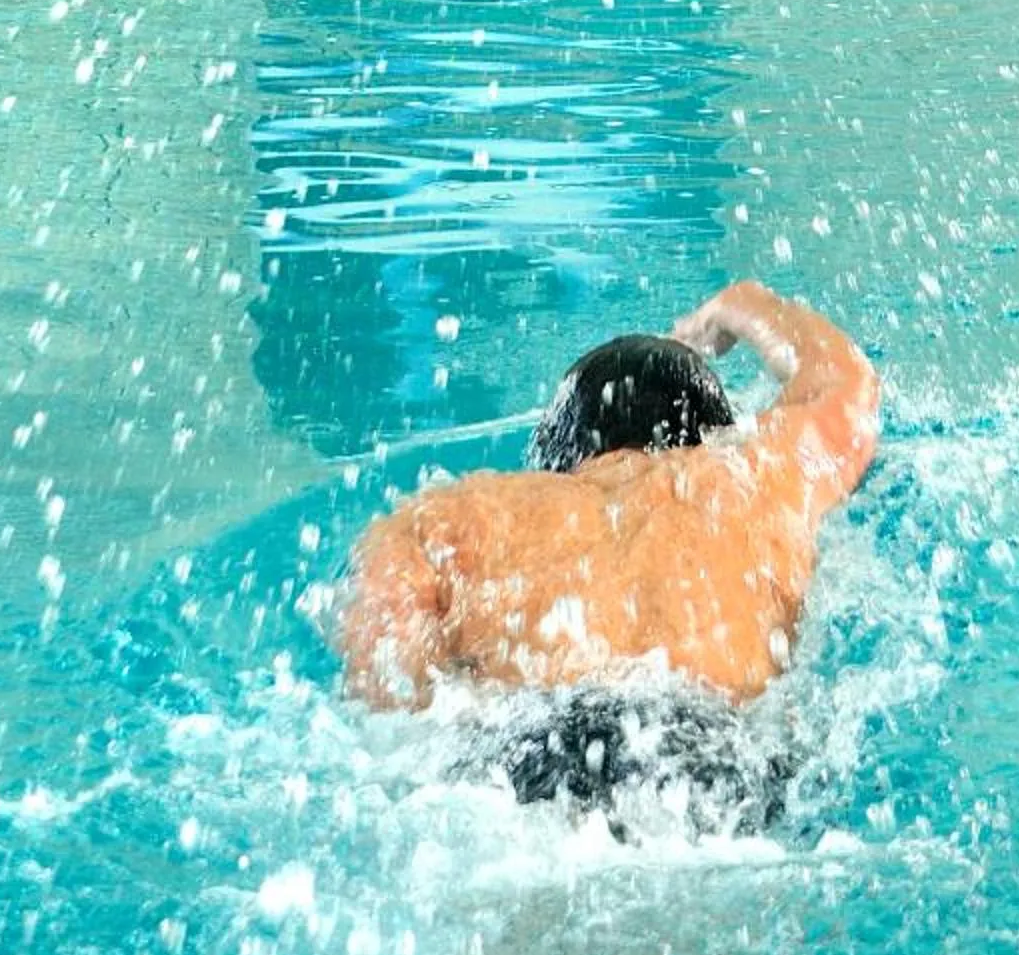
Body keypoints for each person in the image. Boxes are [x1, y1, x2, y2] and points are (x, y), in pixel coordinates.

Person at [337, 279, 879, 821]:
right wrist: (744, 304)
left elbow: (389, 692)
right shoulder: (754, 479)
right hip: (715, 758)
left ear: (559, 454)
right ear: (715, 436)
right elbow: (848, 385)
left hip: (533, 760)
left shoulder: (452, 518)